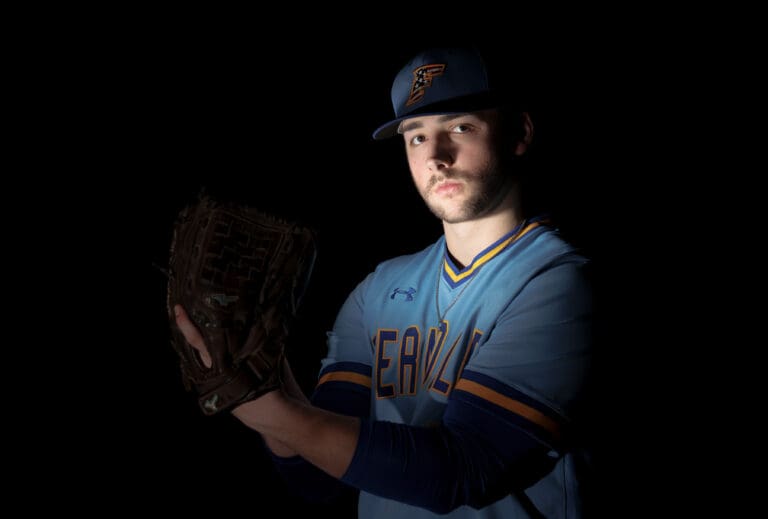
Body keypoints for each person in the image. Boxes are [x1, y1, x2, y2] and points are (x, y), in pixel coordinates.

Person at [174, 46, 594, 518]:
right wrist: (262, 377)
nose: (436, 156)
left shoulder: (558, 282)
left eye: (460, 127)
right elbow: (318, 475)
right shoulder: (379, 289)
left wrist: (263, 410)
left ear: (518, 133)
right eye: (416, 136)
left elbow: (464, 468)